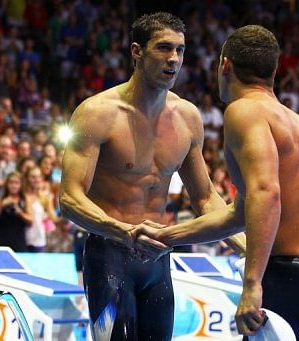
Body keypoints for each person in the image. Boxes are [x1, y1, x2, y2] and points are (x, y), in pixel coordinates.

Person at [134, 25, 299, 339]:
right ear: (274, 69)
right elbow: (242, 213)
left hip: (295, 280)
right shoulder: (297, 122)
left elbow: (266, 194)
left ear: (225, 65)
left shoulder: (244, 112)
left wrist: (252, 283)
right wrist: (168, 235)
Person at [59, 12, 245, 340]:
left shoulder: (188, 118)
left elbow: (204, 198)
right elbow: (70, 198)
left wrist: (246, 246)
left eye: (180, 50)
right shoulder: (97, 113)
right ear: (137, 52)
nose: (174, 58)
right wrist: (125, 231)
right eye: (163, 48)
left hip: (158, 259)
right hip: (109, 255)